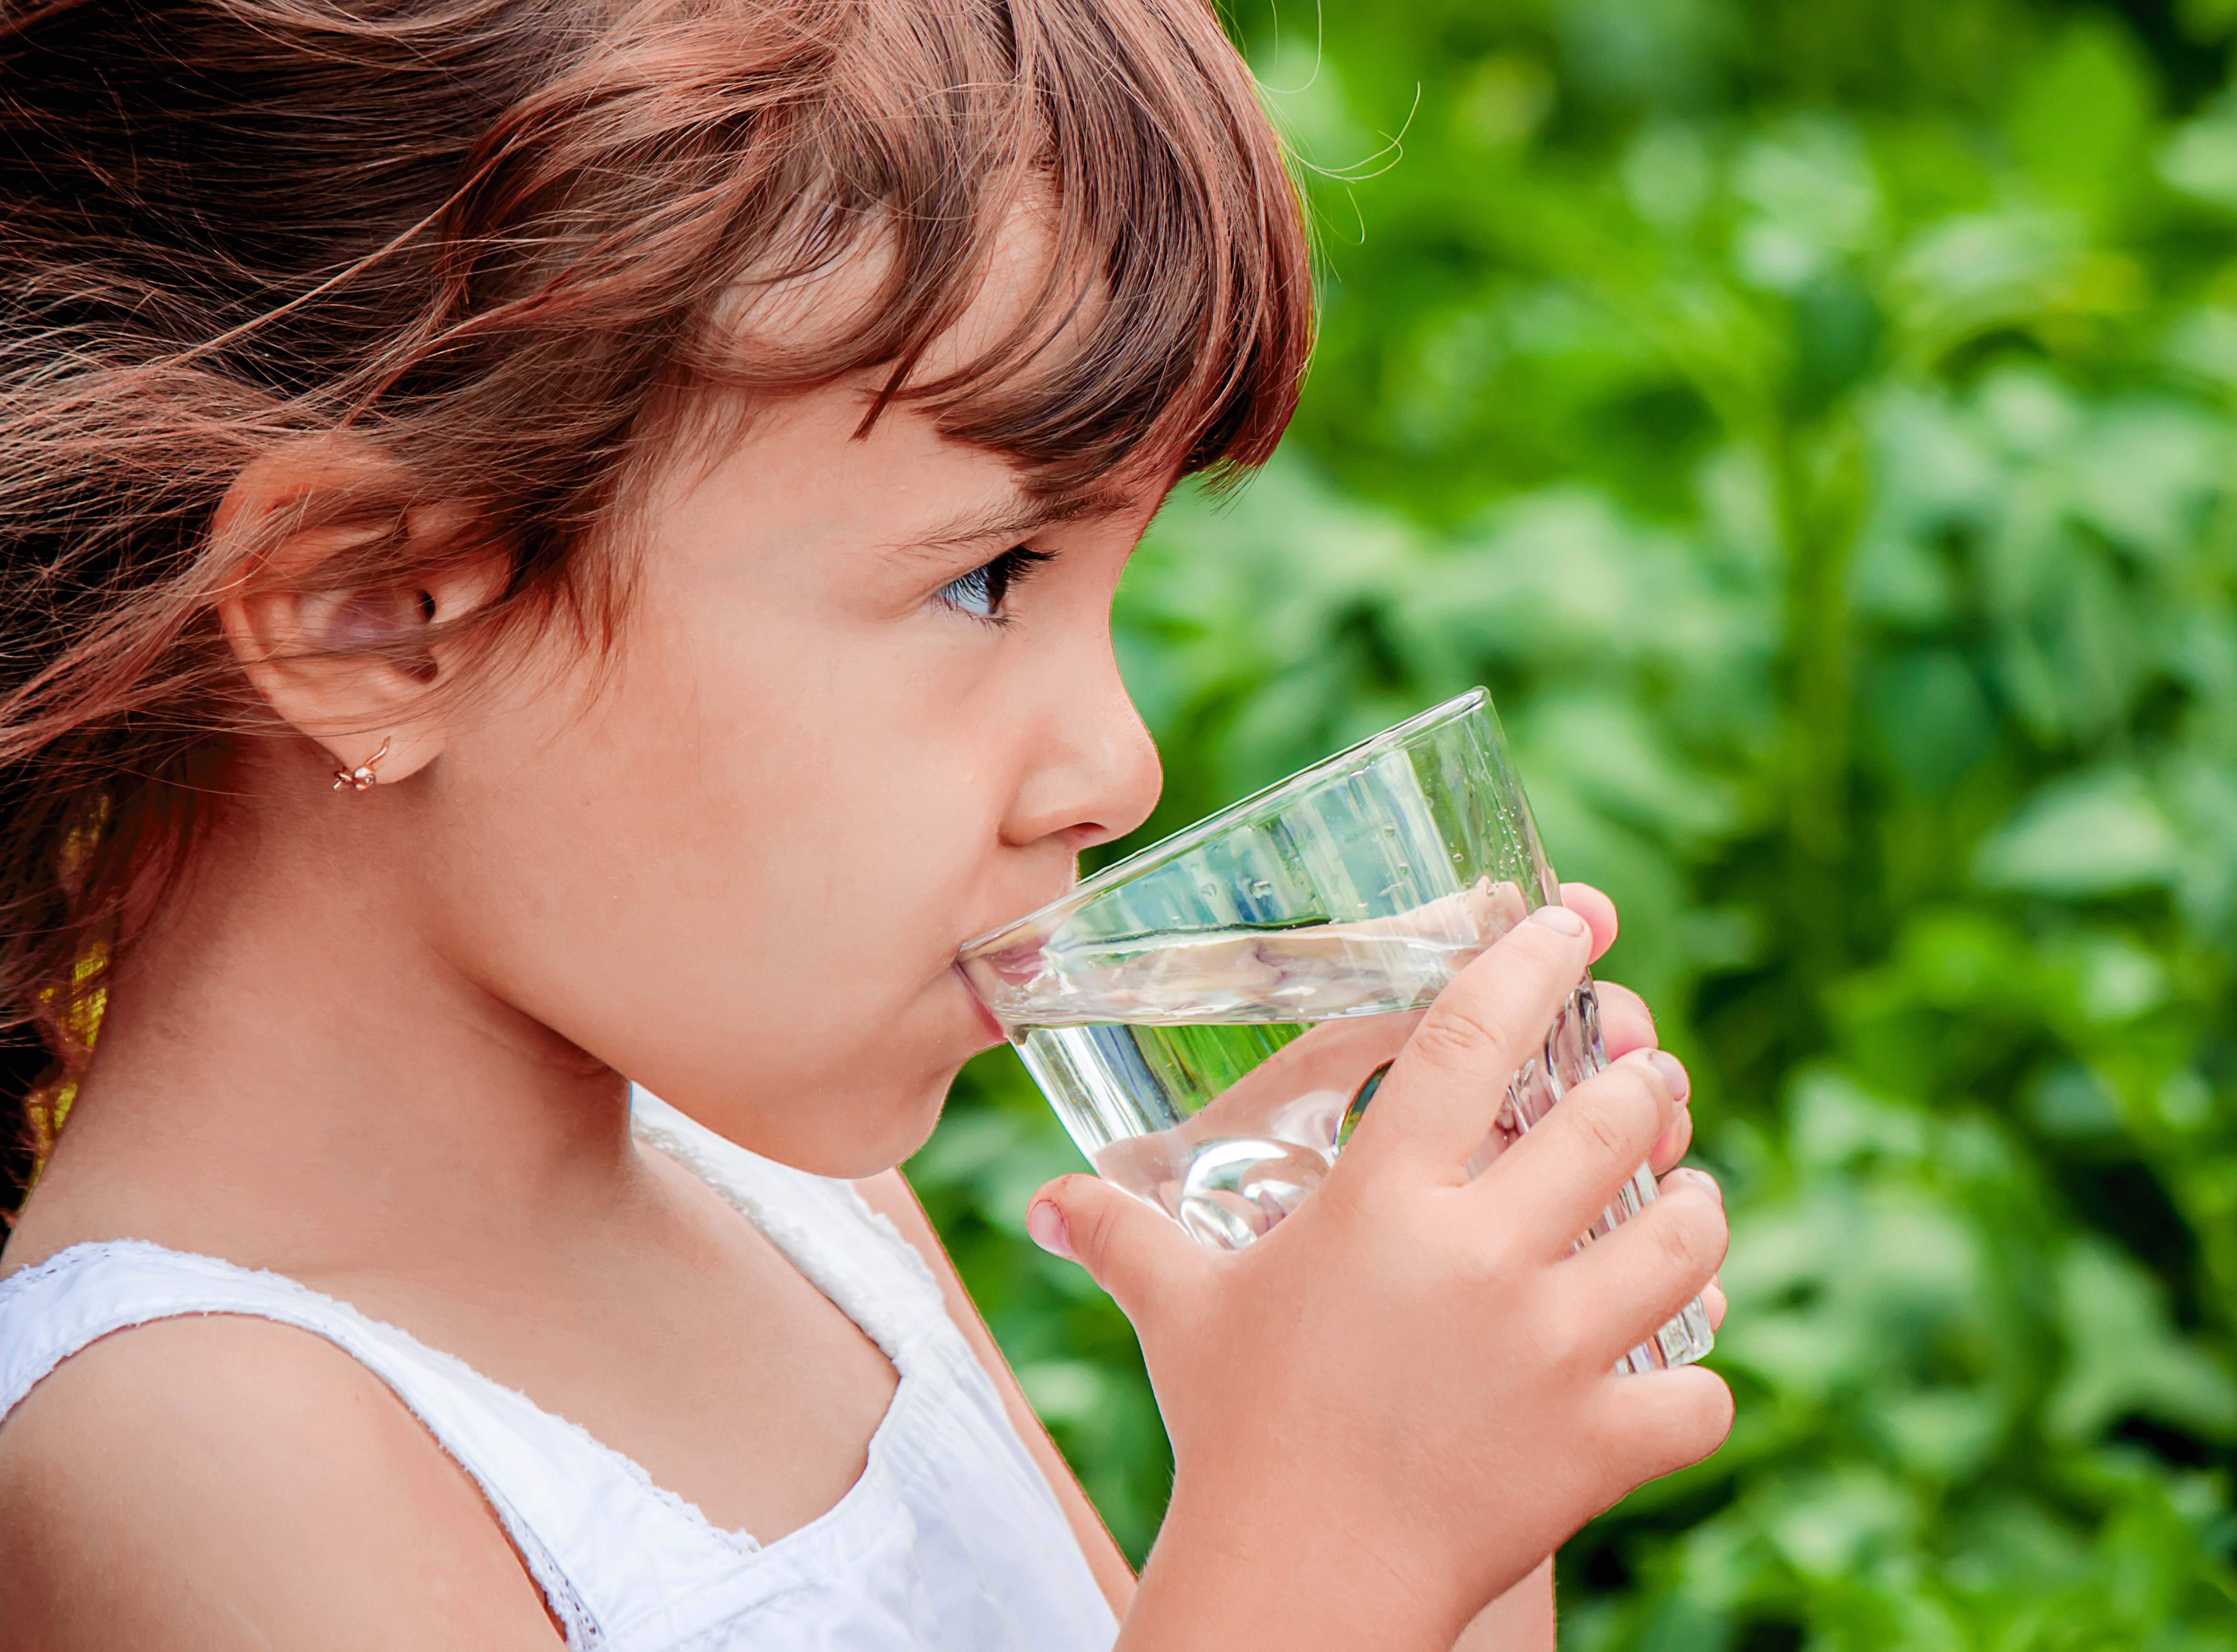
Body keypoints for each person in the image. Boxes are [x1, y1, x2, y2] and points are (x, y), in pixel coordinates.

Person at [0, 0, 1734, 1647]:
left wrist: (1445, 1489)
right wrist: (1336, 1537)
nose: (1119, 770)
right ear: (377, 616)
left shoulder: (791, 1209)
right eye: (990, 578)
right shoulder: (188, 1442)